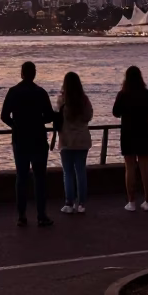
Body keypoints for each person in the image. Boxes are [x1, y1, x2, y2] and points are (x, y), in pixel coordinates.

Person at [0, 61, 54, 227]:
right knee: (39, 178)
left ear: (22, 73)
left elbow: (4, 115)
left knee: (21, 177)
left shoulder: (13, 92)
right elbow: (50, 116)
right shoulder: (41, 93)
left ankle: (22, 216)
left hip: (20, 139)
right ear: (34, 74)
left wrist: (15, 125)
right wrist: (38, 121)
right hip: (38, 139)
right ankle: (41, 215)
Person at [112, 66, 148, 211]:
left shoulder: (123, 94)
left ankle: (131, 202)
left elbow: (115, 112)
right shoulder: (146, 93)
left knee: (129, 167)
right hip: (143, 132)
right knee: (145, 167)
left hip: (128, 133)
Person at [55, 72, 93, 214]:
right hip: (82, 139)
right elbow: (88, 116)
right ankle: (81, 203)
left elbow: (57, 116)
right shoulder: (84, 100)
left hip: (66, 140)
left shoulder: (62, 100)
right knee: (81, 172)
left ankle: (69, 203)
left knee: (68, 173)